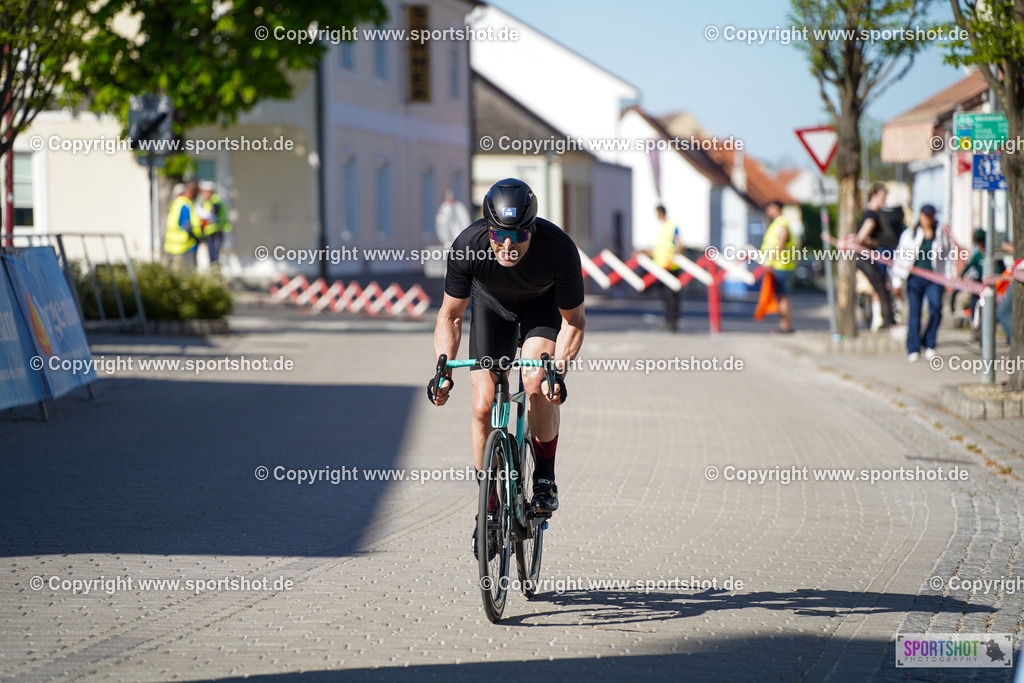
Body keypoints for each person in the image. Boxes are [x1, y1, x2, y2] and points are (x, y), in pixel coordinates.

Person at [428, 178, 586, 559]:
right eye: (499, 234)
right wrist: (442, 368)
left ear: (532, 228)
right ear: (487, 228)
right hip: (491, 309)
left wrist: (558, 371)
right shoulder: (469, 246)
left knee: (534, 382)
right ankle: (490, 503)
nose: (508, 245)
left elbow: (574, 322)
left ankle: (544, 477)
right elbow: (450, 317)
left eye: (518, 235)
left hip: (541, 309)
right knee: (483, 406)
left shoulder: (559, 249)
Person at [890, 205, 955, 362]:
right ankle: (913, 347)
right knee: (914, 314)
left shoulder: (940, 234)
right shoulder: (910, 234)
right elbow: (900, 258)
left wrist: (949, 278)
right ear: (920, 216)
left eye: (930, 216)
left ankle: (930, 343)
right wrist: (896, 282)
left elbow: (948, 257)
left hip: (934, 278)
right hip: (914, 278)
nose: (927, 219)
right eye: (925, 216)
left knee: (936, 309)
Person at [854, 184, 896, 330]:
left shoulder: (871, 213)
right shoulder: (872, 215)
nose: (885, 199)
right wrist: (876, 242)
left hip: (865, 257)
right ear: (874, 196)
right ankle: (889, 322)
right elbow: (861, 238)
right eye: (883, 196)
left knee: (879, 288)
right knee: (881, 288)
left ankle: (882, 320)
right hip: (865, 257)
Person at [760, 200, 797, 333]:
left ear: (777, 208)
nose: (767, 211)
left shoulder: (782, 223)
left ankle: (786, 327)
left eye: (770, 208)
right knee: (780, 296)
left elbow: (780, 244)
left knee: (782, 296)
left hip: (781, 265)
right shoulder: (778, 222)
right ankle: (784, 326)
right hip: (780, 264)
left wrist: (771, 262)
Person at [651, 205, 683, 331]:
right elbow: (659, 249)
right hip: (661, 267)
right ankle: (668, 321)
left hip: (671, 267)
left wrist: (674, 257)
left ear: (660, 213)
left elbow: (679, 245)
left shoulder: (671, 226)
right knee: (664, 296)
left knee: (671, 297)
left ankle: (673, 323)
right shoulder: (662, 228)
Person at [164, 179, 203, 270]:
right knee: (186, 277)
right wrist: (198, 237)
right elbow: (187, 226)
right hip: (185, 247)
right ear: (193, 191)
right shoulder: (186, 205)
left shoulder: (176, 203)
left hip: (173, 247)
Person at [197, 181, 232, 265]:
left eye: (203, 192)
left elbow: (212, 214)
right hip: (209, 232)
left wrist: (200, 213)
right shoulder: (207, 201)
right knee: (211, 256)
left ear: (209, 192)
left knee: (215, 256)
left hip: (216, 231)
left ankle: (215, 274)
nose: (202, 195)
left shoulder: (215, 199)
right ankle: (213, 272)